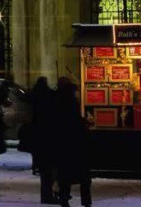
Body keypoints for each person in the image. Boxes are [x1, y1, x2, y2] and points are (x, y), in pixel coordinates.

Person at [53, 77, 92, 207]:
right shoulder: (71, 103)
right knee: (84, 176)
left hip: (62, 143)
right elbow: (76, 121)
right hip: (76, 143)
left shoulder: (57, 102)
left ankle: (64, 200)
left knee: (64, 175)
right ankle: (86, 201)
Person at [27, 77, 58, 204]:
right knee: (48, 169)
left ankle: (46, 193)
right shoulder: (48, 98)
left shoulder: (34, 96)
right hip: (47, 136)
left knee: (43, 166)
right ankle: (47, 195)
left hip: (38, 135)